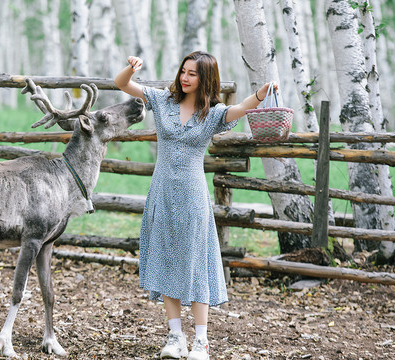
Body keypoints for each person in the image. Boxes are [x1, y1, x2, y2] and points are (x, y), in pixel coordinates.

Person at [114, 51, 277, 360]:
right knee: (166, 258)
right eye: (183, 71)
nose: (184, 77)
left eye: (192, 74)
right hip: (162, 192)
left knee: (196, 263)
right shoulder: (162, 101)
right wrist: (131, 68)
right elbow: (121, 84)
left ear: (205, 79)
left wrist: (261, 93)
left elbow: (242, 108)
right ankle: (175, 336)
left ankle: (201, 341)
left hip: (193, 196)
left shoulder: (213, 114)